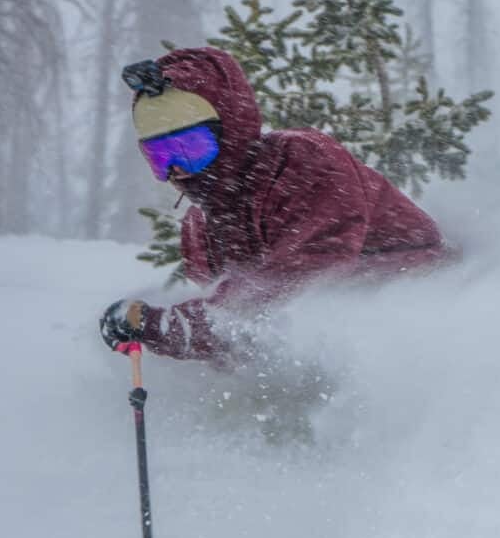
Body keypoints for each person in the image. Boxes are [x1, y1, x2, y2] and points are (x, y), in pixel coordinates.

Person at [99, 46, 450, 363]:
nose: (175, 168)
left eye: (191, 148)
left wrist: (163, 326)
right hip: (326, 349)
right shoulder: (200, 226)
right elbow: (236, 331)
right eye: (159, 156)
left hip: (417, 322)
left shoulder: (301, 165)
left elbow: (286, 284)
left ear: (232, 129)